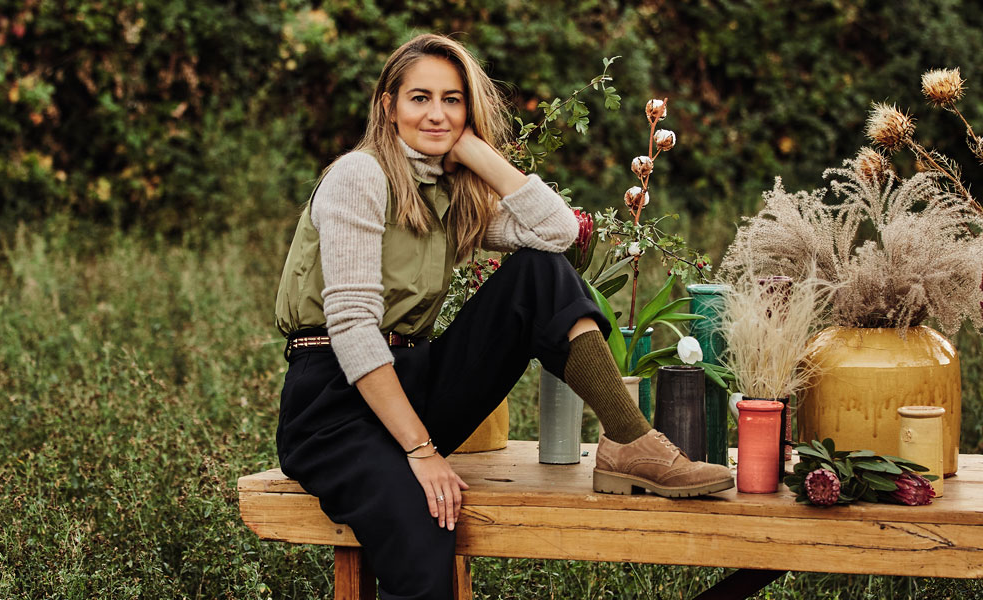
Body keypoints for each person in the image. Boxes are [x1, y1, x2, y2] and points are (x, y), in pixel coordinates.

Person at [274, 33, 733, 600]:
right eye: (419, 98)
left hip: (414, 384)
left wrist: (475, 153)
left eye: (452, 100)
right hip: (334, 407)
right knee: (425, 521)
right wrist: (422, 454)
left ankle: (629, 441)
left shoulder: (448, 190)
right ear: (388, 106)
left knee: (538, 274)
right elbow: (351, 327)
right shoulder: (359, 177)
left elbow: (559, 234)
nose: (436, 113)